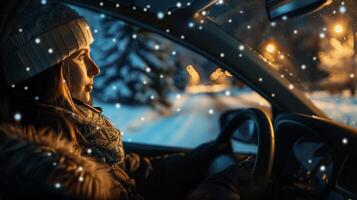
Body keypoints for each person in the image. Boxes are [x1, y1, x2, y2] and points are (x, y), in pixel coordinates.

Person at [0, 1, 247, 199]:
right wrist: (220, 189)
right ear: (48, 71)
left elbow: (138, 173)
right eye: (80, 57)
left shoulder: (79, 136)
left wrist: (206, 154)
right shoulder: (58, 176)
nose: (94, 68)